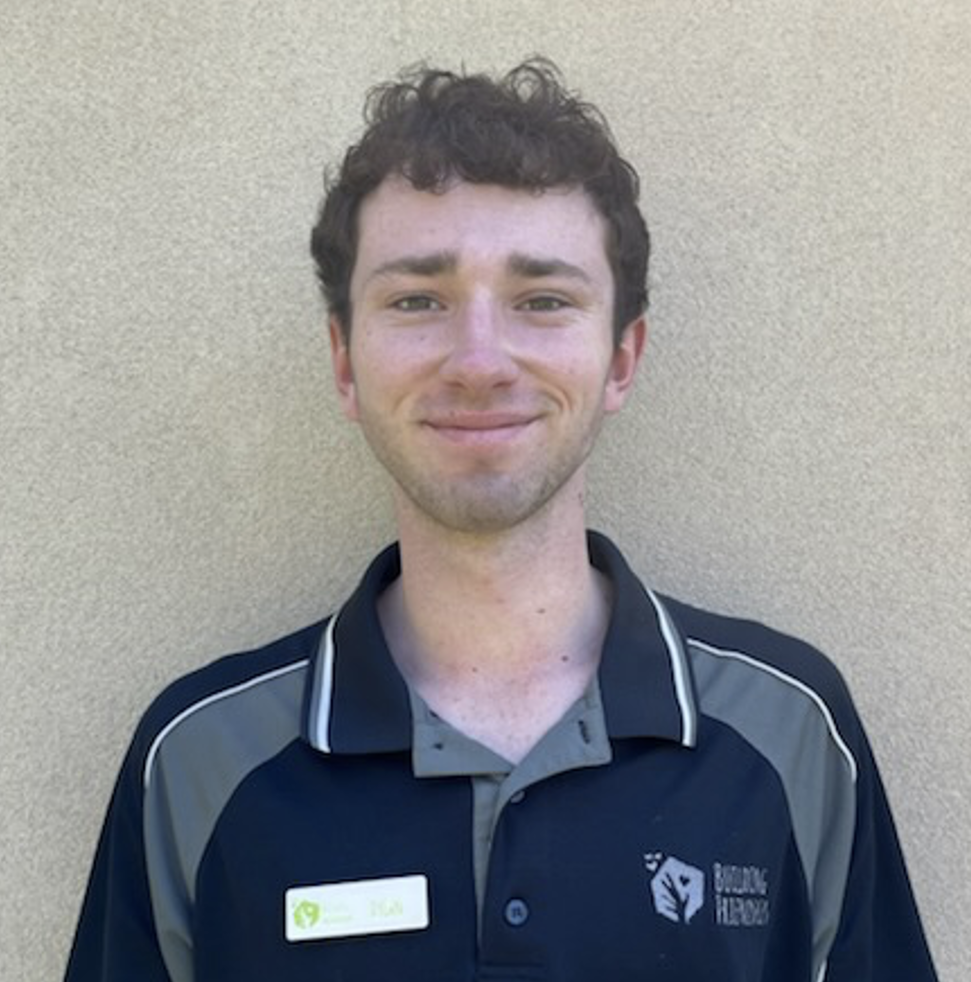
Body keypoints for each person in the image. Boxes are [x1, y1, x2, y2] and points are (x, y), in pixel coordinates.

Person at [64, 59, 938, 982]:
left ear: (621, 359)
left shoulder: (788, 730)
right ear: (344, 361)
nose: (479, 360)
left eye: (543, 301)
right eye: (416, 301)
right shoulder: (203, 758)